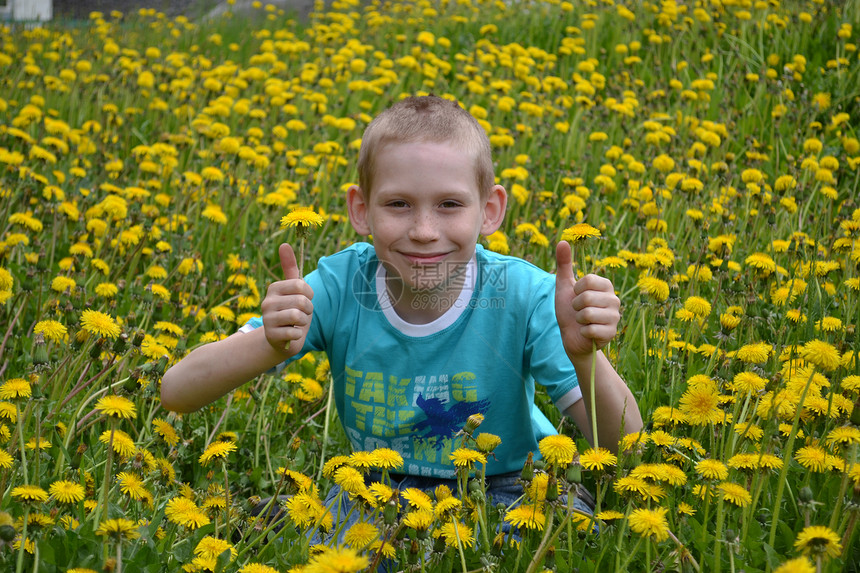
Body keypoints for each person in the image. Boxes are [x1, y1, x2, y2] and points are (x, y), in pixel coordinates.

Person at [161, 94, 642, 526]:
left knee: (563, 540)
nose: (425, 230)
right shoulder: (338, 286)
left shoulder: (525, 295)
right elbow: (176, 391)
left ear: (490, 210)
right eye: (399, 204)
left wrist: (584, 358)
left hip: (507, 483)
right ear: (361, 209)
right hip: (376, 490)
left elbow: (629, 445)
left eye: (450, 204)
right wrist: (268, 344)